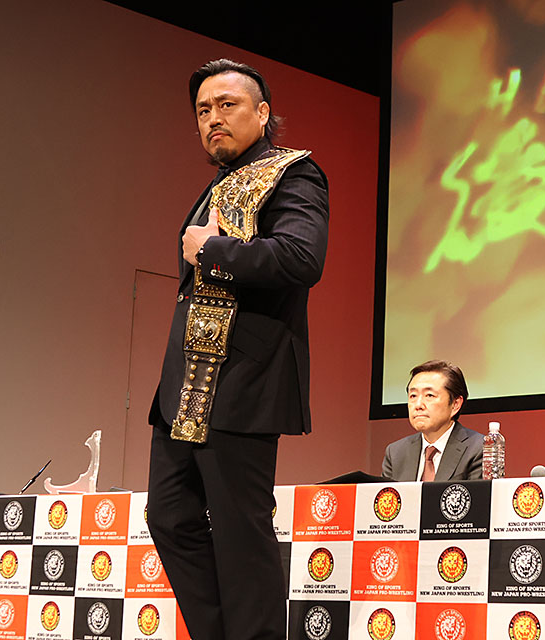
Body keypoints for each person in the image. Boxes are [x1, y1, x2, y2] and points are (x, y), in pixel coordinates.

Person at [145, 59, 328, 640]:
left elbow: (301, 258)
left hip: (242, 381)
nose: (213, 119)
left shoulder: (295, 173)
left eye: (227, 105)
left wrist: (211, 250)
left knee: (240, 533)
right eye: (203, 110)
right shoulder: (219, 184)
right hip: (184, 391)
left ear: (263, 112)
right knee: (169, 518)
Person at [382, 360, 484, 481]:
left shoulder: (479, 449)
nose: (418, 405)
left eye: (429, 395)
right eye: (413, 396)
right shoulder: (396, 453)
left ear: (455, 404)